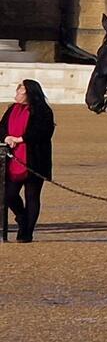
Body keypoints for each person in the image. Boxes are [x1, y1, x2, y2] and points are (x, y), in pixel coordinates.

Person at [2, 79, 55, 242]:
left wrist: (20, 138)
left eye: (20, 91)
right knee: (8, 194)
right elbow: (1, 127)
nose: (17, 93)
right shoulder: (12, 110)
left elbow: (42, 132)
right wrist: (7, 137)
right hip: (14, 159)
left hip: (35, 160)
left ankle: (27, 232)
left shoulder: (43, 111)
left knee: (32, 196)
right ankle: (22, 218)